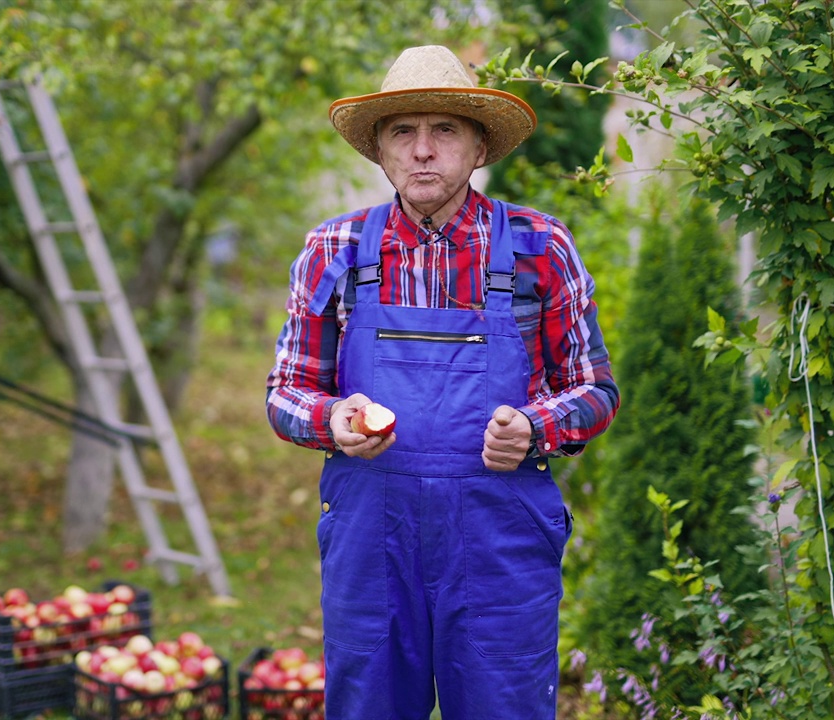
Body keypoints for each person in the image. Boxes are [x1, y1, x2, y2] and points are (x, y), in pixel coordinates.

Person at [264, 45, 620, 719]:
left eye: (444, 130)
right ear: (378, 149)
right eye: (403, 131)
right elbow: (286, 390)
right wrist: (332, 419)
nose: (423, 150)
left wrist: (535, 428)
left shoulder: (541, 248)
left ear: (479, 145)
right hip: (373, 546)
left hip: (498, 545)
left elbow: (595, 389)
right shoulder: (333, 251)